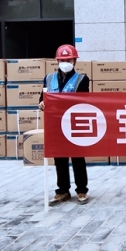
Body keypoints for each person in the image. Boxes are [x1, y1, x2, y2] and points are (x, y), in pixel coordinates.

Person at [39, 44, 90, 206]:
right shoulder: (48, 78)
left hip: (74, 124)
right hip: (55, 125)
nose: (65, 63)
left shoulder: (82, 79)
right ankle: (62, 191)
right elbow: (43, 98)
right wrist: (41, 103)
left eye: (68, 60)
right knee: (59, 159)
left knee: (77, 157)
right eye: (62, 60)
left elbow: (83, 100)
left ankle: (81, 190)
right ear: (57, 61)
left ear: (74, 61)